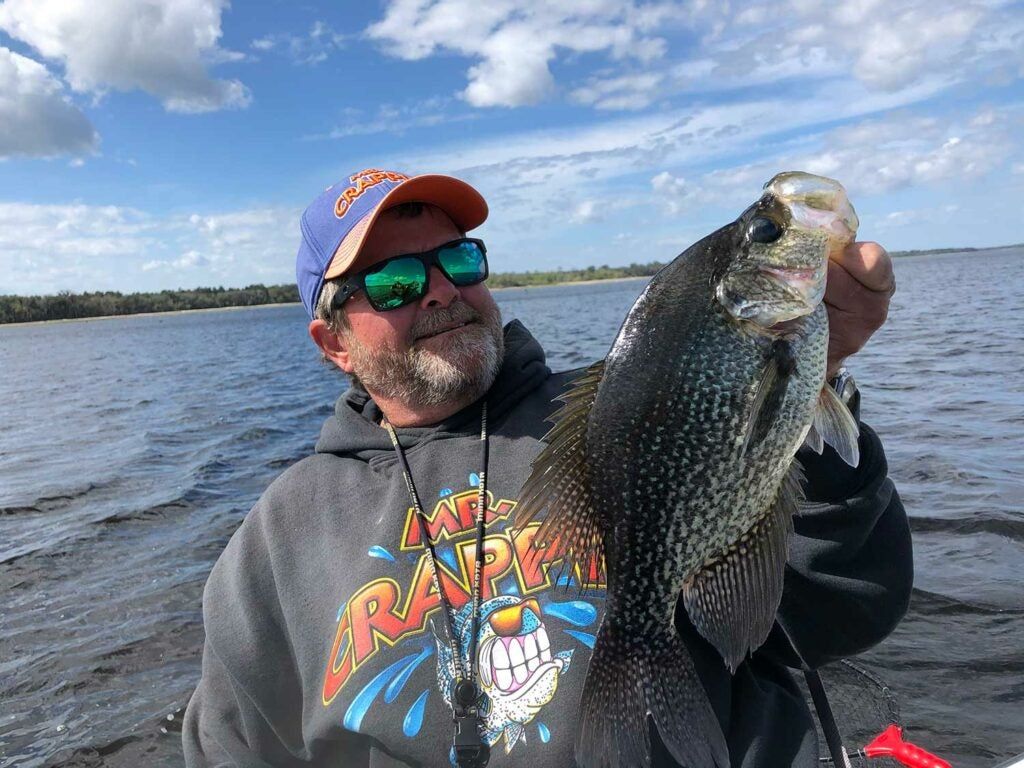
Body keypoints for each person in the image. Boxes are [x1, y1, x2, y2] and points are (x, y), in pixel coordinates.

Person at [183, 168, 911, 767]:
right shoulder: (280, 534)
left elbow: (841, 610)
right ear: (333, 342)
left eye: (459, 259)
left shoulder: (628, 415)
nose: (441, 288)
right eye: (395, 283)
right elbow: (233, 750)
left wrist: (809, 388)